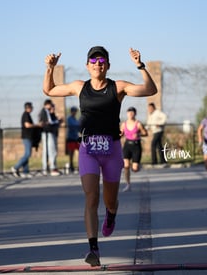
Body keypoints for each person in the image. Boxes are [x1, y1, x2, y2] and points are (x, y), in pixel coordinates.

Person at [43, 46, 157, 266]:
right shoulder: (79, 87)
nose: (97, 64)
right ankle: (93, 248)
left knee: (110, 200)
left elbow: (150, 90)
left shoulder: (118, 87)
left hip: (112, 149)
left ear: (108, 65)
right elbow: (49, 90)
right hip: (88, 150)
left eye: (102, 60)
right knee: (91, 197)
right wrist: (50, 69)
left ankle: (111, 214)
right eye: (93, 61)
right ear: (87, 66)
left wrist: (140, 66)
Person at [120, 107, 148, 192]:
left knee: (135, 169)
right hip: (127, 145)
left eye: (132, 113)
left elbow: (145, 133)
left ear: (135, 114)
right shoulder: (124, 124)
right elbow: (121, 133)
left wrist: (139, 134)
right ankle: (128, 184)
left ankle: (137, 165)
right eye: (129, 113)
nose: (130, 114)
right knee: (126, 166)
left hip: (136, 146)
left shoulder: (138, 124)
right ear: (127, 114)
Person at [11, 102, 40, 179]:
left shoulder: (28, 115)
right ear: (28, 108)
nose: (32, 108)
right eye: (31, 107)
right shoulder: (25, 115)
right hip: (26, 137)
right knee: (27, 154)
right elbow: (27, 125)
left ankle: (25, 171)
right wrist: (37, 125)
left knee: (27, 154)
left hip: (29, 137)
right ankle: (15, 167)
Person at [39, 99, 61, 176]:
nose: (52, 107)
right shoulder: (44, 111)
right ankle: (51, 168)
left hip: (51, 133)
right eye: (51, 105)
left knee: (52, 151)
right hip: (47, 133)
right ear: (47, 105)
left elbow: (52, 122)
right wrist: (56, 121)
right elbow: (48, 122)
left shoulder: (50, 113)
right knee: (50, 151)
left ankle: (51, 167)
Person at [66, 106, 80, 174]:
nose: (75, 113)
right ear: (72, 111)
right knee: (71, 153)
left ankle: (79, 166)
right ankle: (71, 166)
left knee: (79, 152)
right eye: (74, 111)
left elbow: (78, 126)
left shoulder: (75, 118)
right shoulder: (69, 118)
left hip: (76, 138)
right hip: (71, 138)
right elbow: (74, 125)